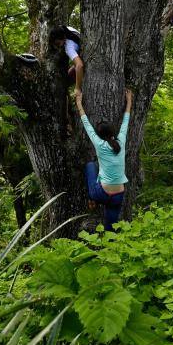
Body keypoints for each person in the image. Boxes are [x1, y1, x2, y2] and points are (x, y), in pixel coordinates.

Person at [75, 88, 133, 230]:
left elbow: (86, 123)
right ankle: (110, 248)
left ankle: (91, 199)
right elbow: (126, 119)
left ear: (100, 135)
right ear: (113, 132)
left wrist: (79, 103)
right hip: (118, 195)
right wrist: (129, 100)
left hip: (100, 194)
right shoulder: (121, 142)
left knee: (90, 165)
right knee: (110, 229)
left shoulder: (99, 144)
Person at [49, 25, 84, 94]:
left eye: (58, 44)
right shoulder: (68, 29)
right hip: (83, 53)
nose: (57, 47)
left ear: (63, 38)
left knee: (65, 82)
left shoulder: (68, 48)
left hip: (84, 62)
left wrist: (77, 88)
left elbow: (79, 65)